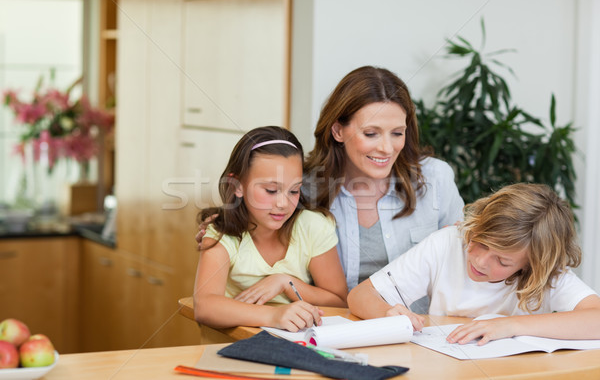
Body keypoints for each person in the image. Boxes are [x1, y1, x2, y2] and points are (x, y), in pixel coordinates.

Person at [348, 183, 600, 345]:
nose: (480, 260)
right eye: (480, 241)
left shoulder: (545, 274)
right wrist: (387, 313)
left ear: (531, 265)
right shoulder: (447, 243)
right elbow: (360, 296)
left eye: (502, 260)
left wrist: (510, 325)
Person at [302, 65, 464, 293]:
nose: (387, 148)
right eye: (371, 134)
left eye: (397, 133)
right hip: (335, 324)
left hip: (419, 325)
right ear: (338, 131)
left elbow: (463, 264)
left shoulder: (436, 177)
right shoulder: (303, 188)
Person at [193, 126, 348, 332]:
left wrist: (285, 283)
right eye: (271, 190)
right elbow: (204, 306)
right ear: (237, 186)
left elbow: (339, 302)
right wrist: (274, 315)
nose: (283, 203)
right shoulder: (222, 234)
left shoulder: (313, 227)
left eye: (294, 190)